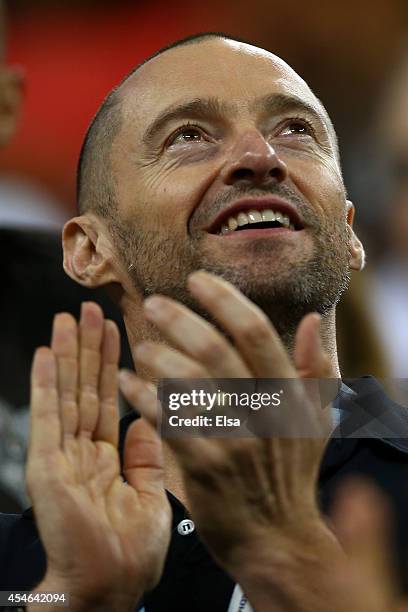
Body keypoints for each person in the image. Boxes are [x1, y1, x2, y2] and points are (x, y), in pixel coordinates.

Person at [4, 32, 408, 611]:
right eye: (188, 136)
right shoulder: (23, 563)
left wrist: (296, 569)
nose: (260, 159)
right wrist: (76, 600)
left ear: (348, 233)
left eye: (295, 131)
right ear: (91, 250)